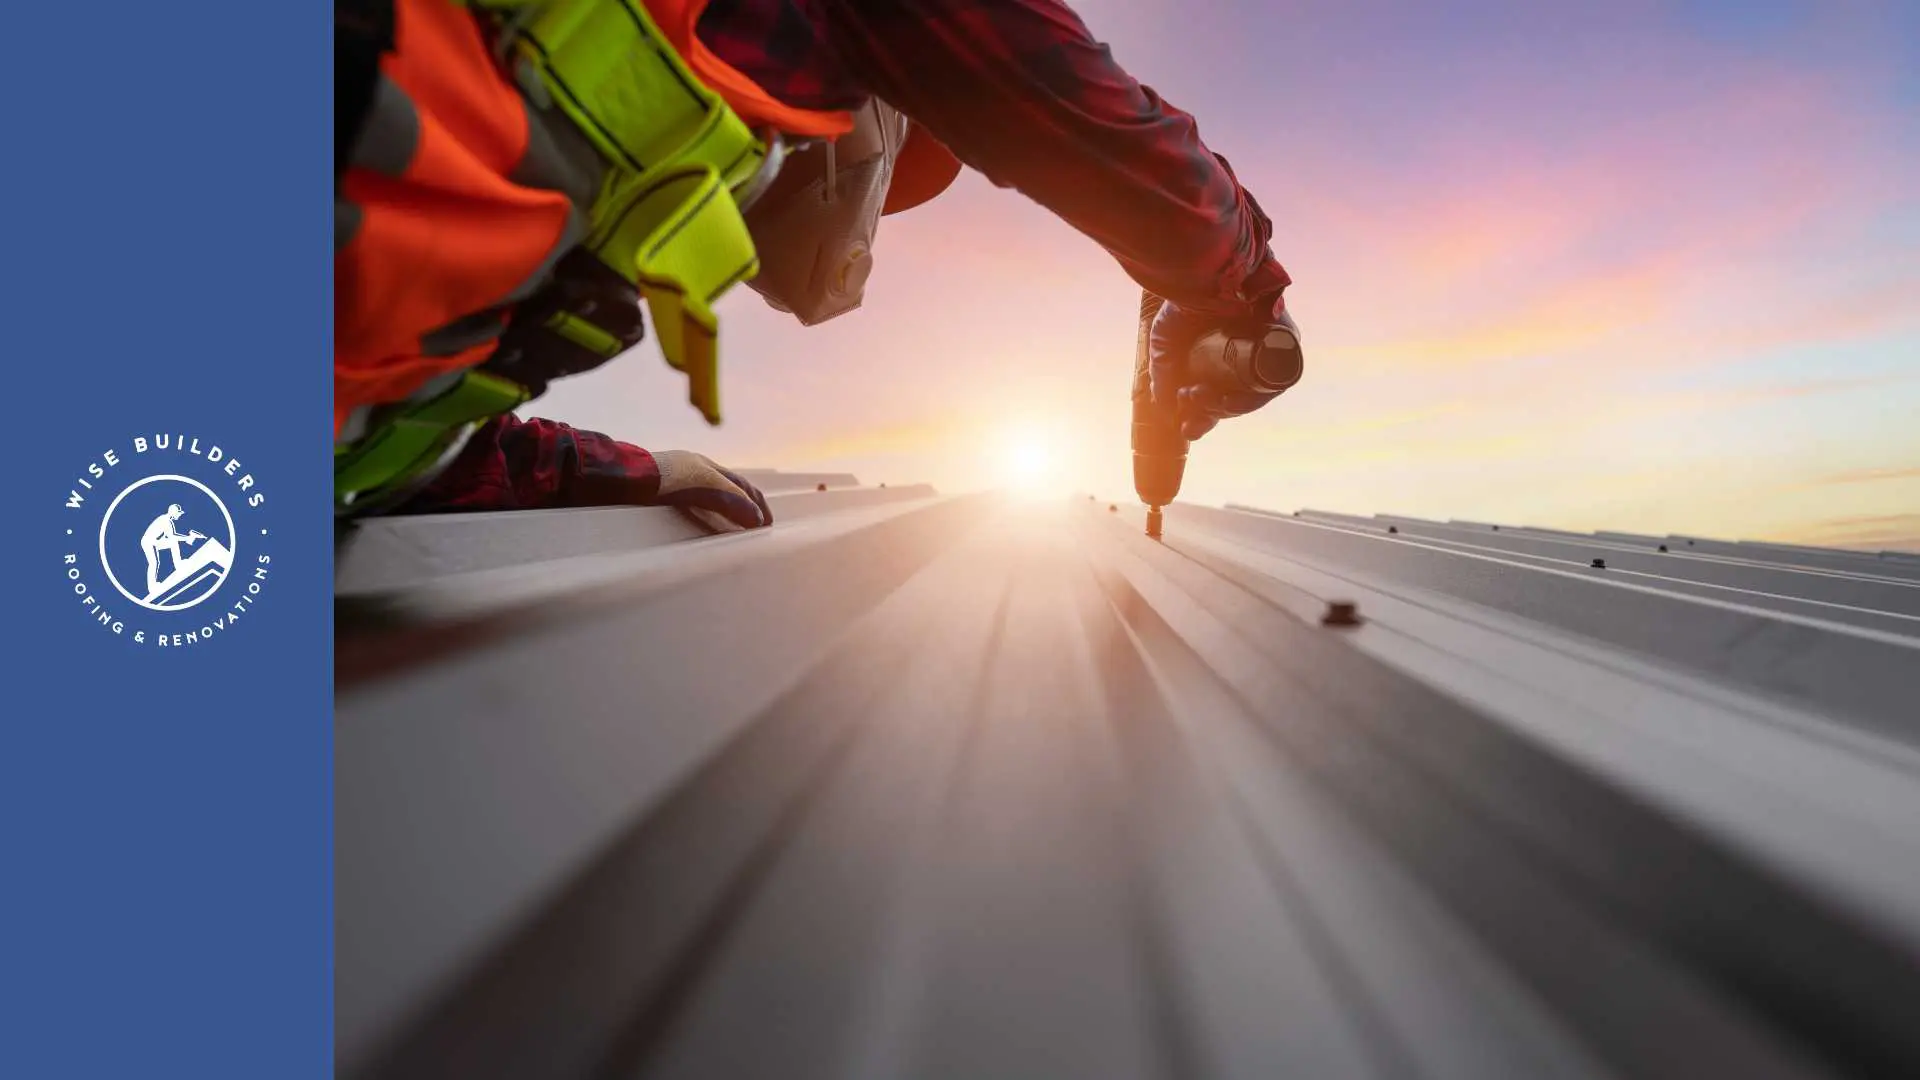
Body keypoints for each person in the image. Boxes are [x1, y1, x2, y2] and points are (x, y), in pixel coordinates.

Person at [334, 0, 1302, 524]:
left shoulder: (537, 178)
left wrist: (617, 473)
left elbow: (376, 449)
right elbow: (1075, 112)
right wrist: (1243, 276)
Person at [141, 504, 206, 594]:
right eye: (178, 513)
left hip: (155, 541)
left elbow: (171, 537)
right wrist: (188, 538)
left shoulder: (166, 519)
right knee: (154, 563)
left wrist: (188, 538)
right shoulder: (166, 521)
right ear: (173, 512)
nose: (179, 515)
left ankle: (178, 565)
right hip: (149, 542)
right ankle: (152, 588)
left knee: (173, 543)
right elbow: (172, 536)